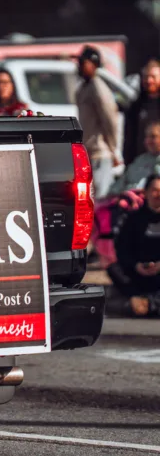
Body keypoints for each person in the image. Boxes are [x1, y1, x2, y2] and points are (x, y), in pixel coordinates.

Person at [107, 174, 160, 316]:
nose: (158, 195)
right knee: (113, 268)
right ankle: (142, 301)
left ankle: (147, 304)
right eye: (155, 190)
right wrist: (136, 265)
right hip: (138, 273)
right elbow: (122, 249)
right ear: (145, 193)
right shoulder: (132, 219)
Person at [75, 45, 121, 198]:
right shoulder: (83, 87)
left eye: (84, 63)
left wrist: (113, 149)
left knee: (101, 197)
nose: (81, 66)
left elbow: (110, 120)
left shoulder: (98, 87)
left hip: (100, 151)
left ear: (94, 64)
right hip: (88, 151)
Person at [124, 59, 160, 164]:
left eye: (153, 77)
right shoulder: (136, 106)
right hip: (141, 160)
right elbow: (129, 135)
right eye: (146, 77)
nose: (149, 81)